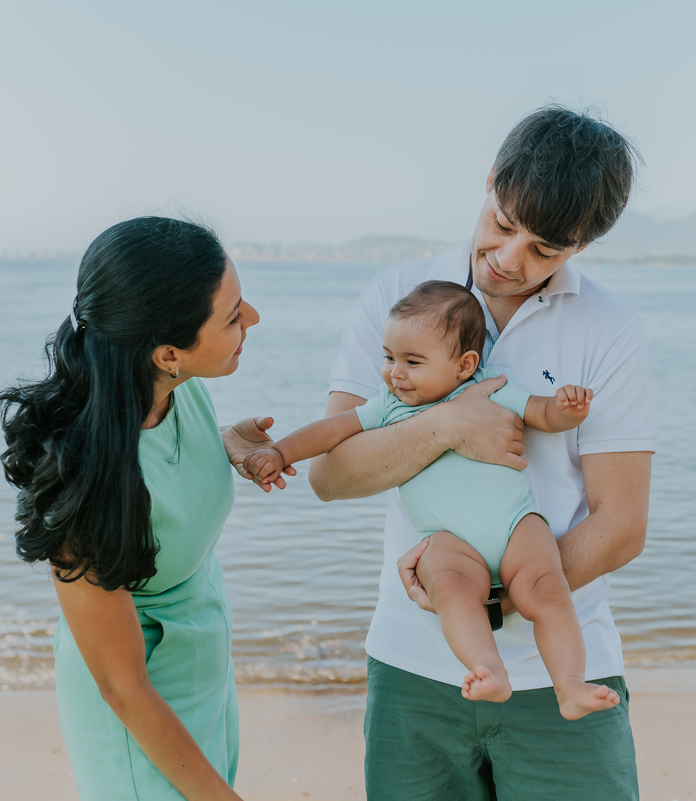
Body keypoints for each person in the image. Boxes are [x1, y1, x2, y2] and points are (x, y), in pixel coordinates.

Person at [307, 106, 657, 800]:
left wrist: (485, 599)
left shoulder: (610, 329)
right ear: (491, 178)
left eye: (544, 250)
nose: (508, 258)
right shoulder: (397, 298)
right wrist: (446, 426)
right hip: (412, 668)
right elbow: (330, 474)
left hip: (564, 674)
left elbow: (621, 525)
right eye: (502, 223)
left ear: (584, 243)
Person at [0, 217, 293, 801]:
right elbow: (122, 687)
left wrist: (223, 442)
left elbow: (158, 467)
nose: (253, 319)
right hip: (141, 710)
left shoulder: (183, 391)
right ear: (168, 353)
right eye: (233, 315)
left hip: (203, 665)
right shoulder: (84, 479)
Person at [242, 280, 618, 719]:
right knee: (452, 591)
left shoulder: (491, 388)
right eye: (389, 358)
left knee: (549, 591)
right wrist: (280, 452)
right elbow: (330, 431)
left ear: (464, 365)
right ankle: (489, 670)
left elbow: (542, 413)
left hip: (515, 523)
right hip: (448, 540)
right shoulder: (389, 405)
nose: (395, 373)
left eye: (412, 362)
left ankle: (570, 685)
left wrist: (566, 410)